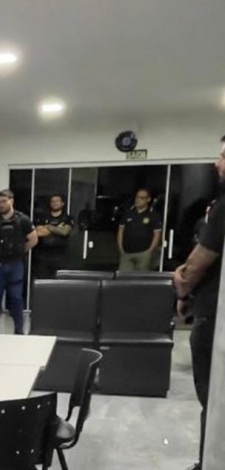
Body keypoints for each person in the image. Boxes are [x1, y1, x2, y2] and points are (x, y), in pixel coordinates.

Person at [173, 135, 225, 470]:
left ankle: (209, 462)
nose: (216, 163)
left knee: (214, 399)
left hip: (214, 316)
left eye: (222, 157)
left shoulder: (223, 206)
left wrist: (182, 287)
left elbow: (200, 261)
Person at [0, 189, 38, 335]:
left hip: (15, 264)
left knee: (16, 297)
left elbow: (33, 239)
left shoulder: (23, 219)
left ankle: (18, 330)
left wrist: (20, 251)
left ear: (11, 201)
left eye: (4, 201)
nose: (0, 204)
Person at [117, 188, 162, 271]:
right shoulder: (128, 212)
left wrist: (150, 251)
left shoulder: (153, 215)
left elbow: (157, 234)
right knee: (123, 276)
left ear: (148, 199)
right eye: (137, 197)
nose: (137, 200)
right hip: (126, 253)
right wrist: (121, 248)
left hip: (144, 253)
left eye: (141, 198)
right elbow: (121, 231)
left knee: (141, 277)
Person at [32, 195, 74, 280]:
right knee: (42, 281)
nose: (54, 203)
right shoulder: (42, 217)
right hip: (43, 255)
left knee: (60, 282)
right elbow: (38, 232)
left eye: (57, 201)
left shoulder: (67, 218)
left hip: (61, 255)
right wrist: (58, 229)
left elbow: (65, 232)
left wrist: (49, 227)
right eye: (52, 201)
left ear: (62, 203)